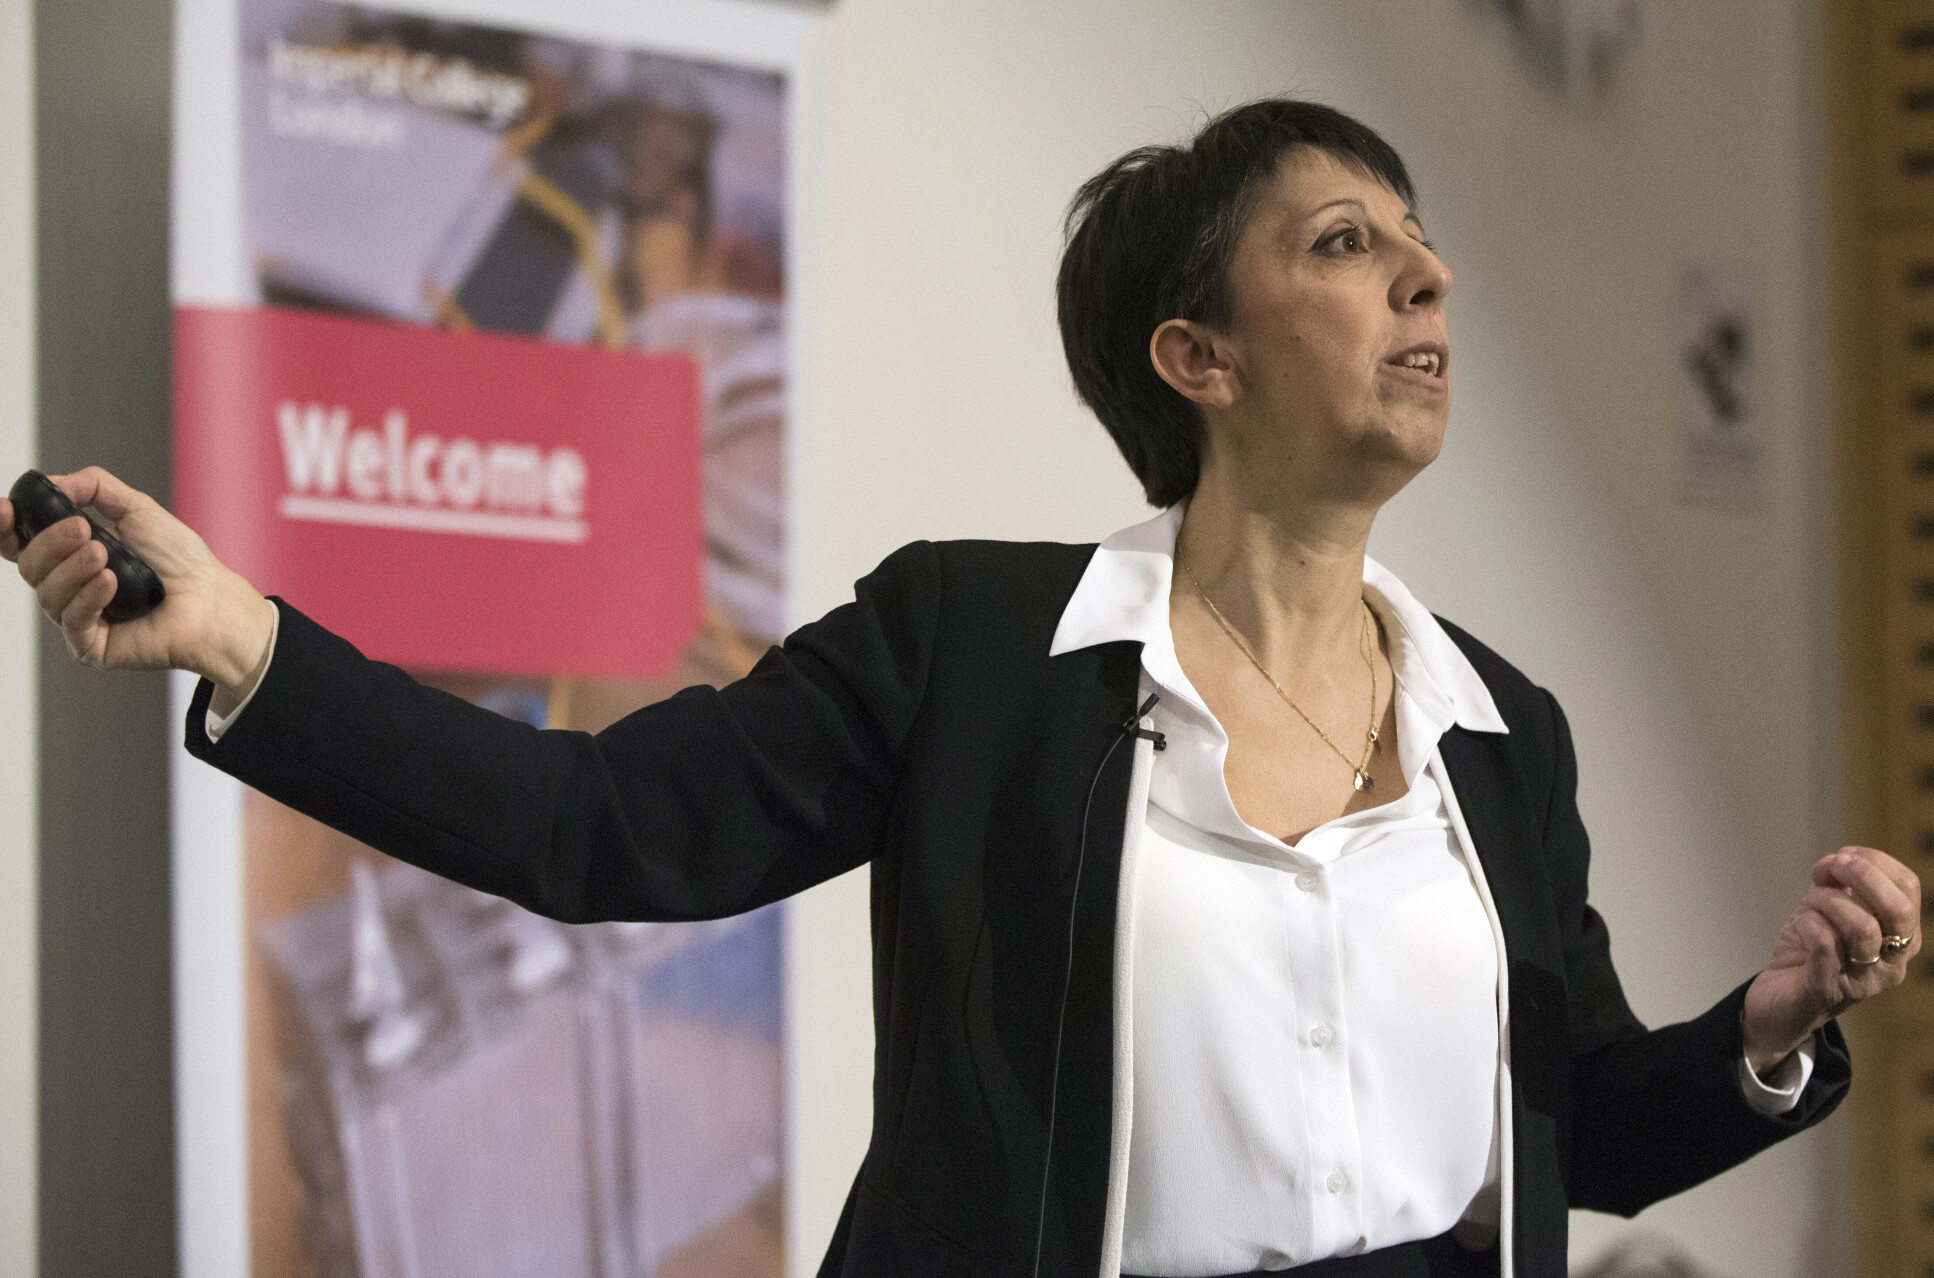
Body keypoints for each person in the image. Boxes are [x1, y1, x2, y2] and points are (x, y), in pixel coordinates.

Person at [6, 99, 1915, 1278]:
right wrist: (246, 638)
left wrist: (1764, 1028)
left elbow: (1576, 1122)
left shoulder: (1503, 732)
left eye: (1422, 249)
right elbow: (595, 829)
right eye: (1348, 244)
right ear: (1196, 356)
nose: (1423, 282)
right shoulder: (976, 651)